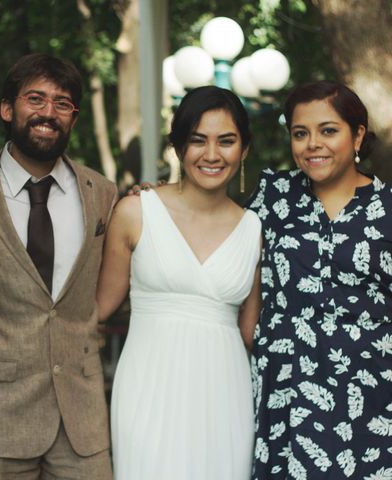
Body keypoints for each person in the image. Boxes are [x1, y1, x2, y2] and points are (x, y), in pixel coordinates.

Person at [0, 53, 117, 479]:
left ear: (73, 117)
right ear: (7, 108)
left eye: (62, 103)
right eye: (35, 98)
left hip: (82, 420)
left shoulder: (103, 195)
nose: (48, 112)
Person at [247, 80, 392, 479]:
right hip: (289, 404)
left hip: (382, 405)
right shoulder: (273, 200)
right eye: (300, 133)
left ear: (358, 134)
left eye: (328, 130)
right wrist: (152, 196)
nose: (313, 144)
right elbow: (206, 218)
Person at [97, 86, 262, 479]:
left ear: (244, 150)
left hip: (226, 395)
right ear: (177, 147)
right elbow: (95, 311)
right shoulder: (136, 211)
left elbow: (251, 330)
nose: (211, 155)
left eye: (226, 141)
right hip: (147, 390)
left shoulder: (254, 229)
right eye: (197, 140)